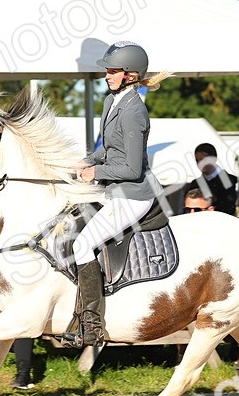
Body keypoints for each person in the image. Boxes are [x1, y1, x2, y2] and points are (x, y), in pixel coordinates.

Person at [61, 40, 171, 348]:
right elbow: (108, 151)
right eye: (108, 71)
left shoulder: (135, 110)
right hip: (113, 189)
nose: (107, 76)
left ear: (131, 74)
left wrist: (96, 173)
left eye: (113, 71)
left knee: (83, 245)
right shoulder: (113, 102)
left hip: (133, 194)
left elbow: (133, 167)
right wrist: (87, 161)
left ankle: (92, 324)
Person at [190, 142, 237, 218]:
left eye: (203, 159)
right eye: (197, 160)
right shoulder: (195, 184)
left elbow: (228, 206)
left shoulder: (228, 180)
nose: (200, 163)